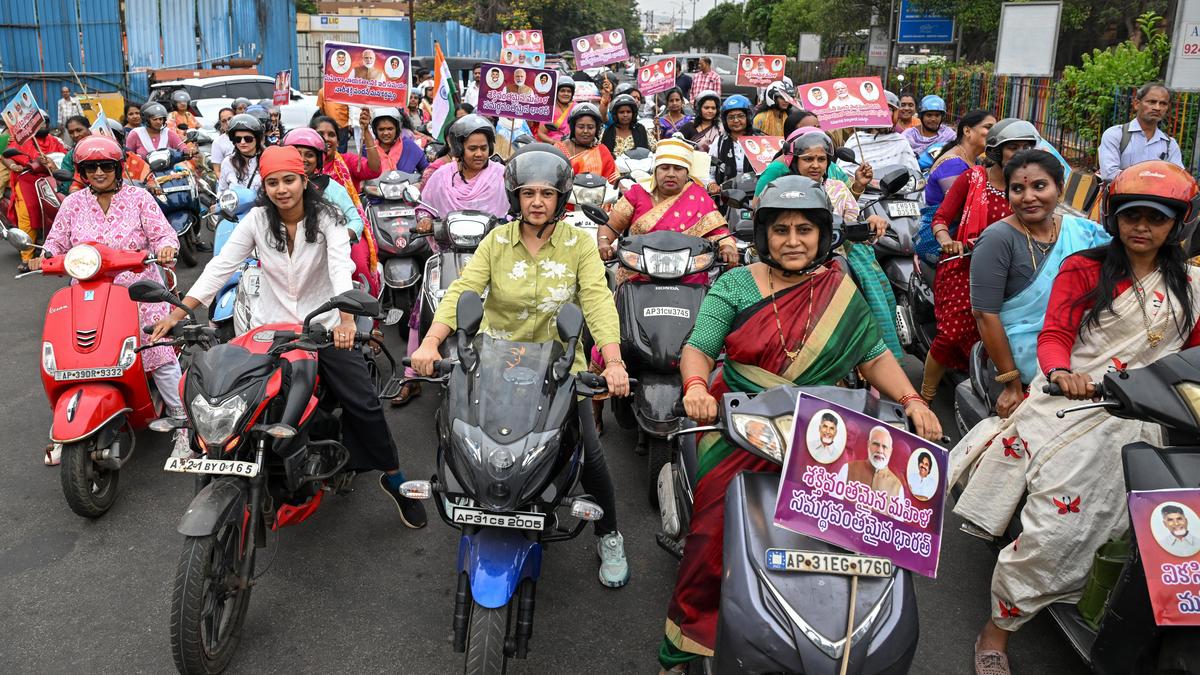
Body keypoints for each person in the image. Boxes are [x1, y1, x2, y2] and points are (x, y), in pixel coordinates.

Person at [659, 175, 941, 673]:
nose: (793, 241)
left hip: (827, 430)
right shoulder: (736, 283)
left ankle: (844, 639)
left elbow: (874, 354)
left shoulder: (839, 288)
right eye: (782, 230)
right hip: (745, 424)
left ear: (822, 235)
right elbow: (700, 347)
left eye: (805, 230)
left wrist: (913, 399)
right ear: (763, 234)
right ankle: (684, 643)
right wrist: (698, 389)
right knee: (712, 531)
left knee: (863, 534)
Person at [950, 160, 1200, 675]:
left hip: (1163, 411)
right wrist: (1062, 371)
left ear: (1179, 223)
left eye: (1156, 218)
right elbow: (1056, 334)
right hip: (1087, 401)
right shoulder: (1085, 267)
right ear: (1113, 216)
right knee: (1058, 527)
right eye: (1132, 215)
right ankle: (997, 629)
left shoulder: (1193, 286)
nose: (1142, 227)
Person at [150, 145, 427, 528]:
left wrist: (346, 320)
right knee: (234, 391)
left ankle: (393, 479)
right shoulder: (256, 220)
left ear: (304, 181)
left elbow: (339, 269)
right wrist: (179, 312)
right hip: (270, 330)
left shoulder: (329, 217)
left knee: (363, 402)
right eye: (273, 182)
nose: (282, 189)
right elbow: (221, 266)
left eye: (289, 180)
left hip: (324, 328)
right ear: (264, 186)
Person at [411, 143, 633, 588]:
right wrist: (431, 343)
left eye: (546, 194)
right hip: (494, 363)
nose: (536, 202)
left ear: (561, 198)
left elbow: (596, 301)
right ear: (515, 197)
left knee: (588, 453)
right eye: (528, 193)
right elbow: (464, 292)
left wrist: (613, 362)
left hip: (556, 369)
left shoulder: (578, 246)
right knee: (465, 437)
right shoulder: (496, 241)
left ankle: (609, 534)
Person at [31, 135, 186, 462]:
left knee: (158, 354)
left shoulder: (139, 198)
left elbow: (163, 234)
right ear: (82, 171)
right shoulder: (73, 203)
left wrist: (167, 248)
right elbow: (55, 243)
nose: (98, 172)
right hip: (87, 295)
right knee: (73, 356)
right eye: (90, 167)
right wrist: (42, 257)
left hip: (140, 293)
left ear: (117, 167)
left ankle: (184, 424)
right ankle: (66, 427)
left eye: (105, 166)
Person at [968, 150, 1111, 416]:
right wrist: (1011, 385)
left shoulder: (1084, 232)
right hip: (1022, 364)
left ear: (1060, 187)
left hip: (1081, 353)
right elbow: (985, 314)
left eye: (1039, 186)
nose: (1028, 197)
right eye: (1018, 189)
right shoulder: (998, 239)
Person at [755, 129, 902, 359]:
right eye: (808, 159)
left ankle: (871, 359)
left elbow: (852, 221)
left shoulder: (838, 188)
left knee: (873, 295)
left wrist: (871, 223)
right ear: (793, 160)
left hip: (836, 258)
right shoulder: (778, 190)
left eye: (821, 159)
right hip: (787, 262)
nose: (815, 165)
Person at [920, 119, 1035, 401]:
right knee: (951, 334)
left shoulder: (1029, 187)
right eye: (1013, 148)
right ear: (996, 150)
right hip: (965, 267)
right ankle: (925, 396)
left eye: (1026, 148)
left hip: (1014, 272)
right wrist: (947, 240)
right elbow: (941, 218)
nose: (1020, 154)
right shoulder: (972, 179)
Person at [398, 115, 509, 406]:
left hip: (494, 257)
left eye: (484, 147)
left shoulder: (501, 175)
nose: (479, 154)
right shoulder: (441, 176)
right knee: (422, 308)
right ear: (458, 148)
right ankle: (412, 375)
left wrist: (510, 222)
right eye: (472, 148)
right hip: (448, 254)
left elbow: (514, 208)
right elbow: (425, 207)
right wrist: (424, 222)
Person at [600, 137, 736, 280]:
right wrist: (604, 242)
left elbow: (719, 233)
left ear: (687, 173)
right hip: (639, 275)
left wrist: (727, 248)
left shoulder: (699, 196)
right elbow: (611, 224)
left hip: (689, 277)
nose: (671, 174)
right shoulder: (637, 193)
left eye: (678, 168)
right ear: (655, 171)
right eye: (664, 168)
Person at [914, 110, 996, 264]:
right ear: (967, 131)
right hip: (942, 239)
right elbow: (961, 209)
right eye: (988, 127)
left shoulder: (975, 161)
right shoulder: (954, 164)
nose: (994, 133)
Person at [6, 112, 66, 272]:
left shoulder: (55, 141)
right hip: (27, 180)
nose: (42, 126)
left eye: (44, 122)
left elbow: (64, 157)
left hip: (52, 180)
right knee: (28, 215)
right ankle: (27, 257)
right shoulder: (22, 141)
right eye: (38, 124)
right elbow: (6, 155)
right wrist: (13, 166)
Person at [1098, 83, 1183, 182]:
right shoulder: (1116, 135)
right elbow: (1109, 174)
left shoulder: (1170, 145)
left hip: (1156, 197)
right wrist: (1151, 180)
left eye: (1163, 104)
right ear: (1137, 104)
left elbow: (1178, 178)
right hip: (1121, 196)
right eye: (1152, 102)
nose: (1157, 108)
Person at [837, 93, 920, 176]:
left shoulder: (901, 142)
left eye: (888, 109)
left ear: (895, 114)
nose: (882, 113)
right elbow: (843, 173)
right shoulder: (856, 139)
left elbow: (913, 174)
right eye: (878, 108)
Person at [707, 94, 761, 191]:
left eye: (740, 116)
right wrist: (712, 184)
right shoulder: (719, 142)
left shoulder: (759, 140)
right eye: (731, 117)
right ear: (725, 120)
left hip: (755, 196)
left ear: (748, 117)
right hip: (727, 196)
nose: (736, 120)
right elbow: (709, 171)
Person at [555, 103, 619, 184]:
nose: (585, 131)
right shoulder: (559, 148)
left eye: (590, 127)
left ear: (597, 129)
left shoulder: (602, 151)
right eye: (581, 127)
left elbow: (613, 182)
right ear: (573, 127)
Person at [836, 425, 902, 497]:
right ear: (868, 444)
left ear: (890, 451)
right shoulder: (848, 469)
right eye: (876, 444)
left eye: (884, 447)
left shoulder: (898, 487)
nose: (880, 451)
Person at [365, 107, 428, 175]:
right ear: (375, 131)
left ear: (397, 129)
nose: (386, 133)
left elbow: (426, 170)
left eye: (390, 129)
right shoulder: (368, 149)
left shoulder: (410, 146)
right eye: (381, 129)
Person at [216, 113, 265, 193]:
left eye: (248, 139)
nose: (242, 142)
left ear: (257, 139)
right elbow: (222, 192)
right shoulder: (227, 162)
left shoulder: (266, 160)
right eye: (238, 139)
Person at [55, 115, 92, 196]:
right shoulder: (70, 156)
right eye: (71, 132)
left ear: (89, 128)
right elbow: (65, 186)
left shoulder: (102, 147)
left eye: (79, 130)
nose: (75, 135)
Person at [537, 77, 576, 144]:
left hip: (573, 145)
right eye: (562, 91)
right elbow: (541, 134)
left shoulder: (576, 107)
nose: (566, 94)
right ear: (556, 92)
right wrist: (556, 142)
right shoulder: (549, 109)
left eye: (569, 91)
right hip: (553, 148)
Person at [315, 88, 351, 154]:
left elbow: (350, 107)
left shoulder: (345, 90)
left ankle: (340, 162)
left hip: (342, 125)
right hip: (330, 126)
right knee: (328, 147)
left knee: (341, 148)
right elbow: (321, 108)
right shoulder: (322, 91)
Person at [207, 107, 235, 174]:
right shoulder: (218, 142)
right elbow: (217, 171)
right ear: (220, 124)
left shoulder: (247, 137)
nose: (227, 123)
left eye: (230, 119)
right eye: (224, 121)